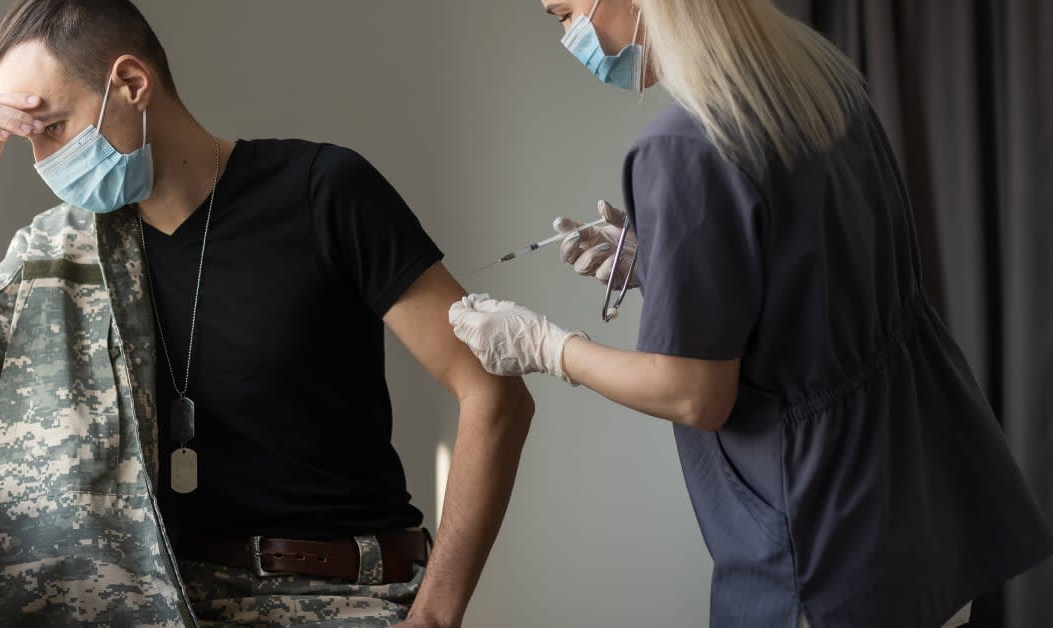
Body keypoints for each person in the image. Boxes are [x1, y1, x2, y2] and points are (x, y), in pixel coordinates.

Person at [0, 0, 533, 625]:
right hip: (157, 606)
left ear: (130, 83)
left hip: (343, 596)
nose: (45, 160)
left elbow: (492, 393)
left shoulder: (325, 192)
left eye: (52, 128)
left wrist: (437, 615)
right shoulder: (58, 253)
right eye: (30, 141)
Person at [449, 1, 1053, 626]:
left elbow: (694, 396)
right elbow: (814, 270)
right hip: (924, 508)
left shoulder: (683, 146)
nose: (571, 37)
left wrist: (544, 346)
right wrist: (668, 265)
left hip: (825, 549)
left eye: (565, 13)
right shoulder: (817, 77)